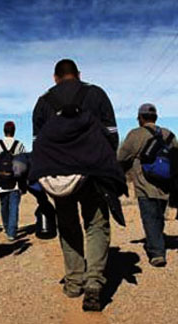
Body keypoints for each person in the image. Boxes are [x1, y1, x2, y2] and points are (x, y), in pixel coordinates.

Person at [30, 59, 126, 311]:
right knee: (95, 224)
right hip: (93, 172)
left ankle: (74, 283)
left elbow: (37, 144)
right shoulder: (96, 94)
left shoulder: (43, 102)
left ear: (55, 77)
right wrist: (102, 163)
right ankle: (94, 283)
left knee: (68, 225)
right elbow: (112, 136)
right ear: (78, 74)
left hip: (57, 176)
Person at [117, 103, 177, 267]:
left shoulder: (136, 134)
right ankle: (157, 241)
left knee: (149, 217)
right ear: (155, 117)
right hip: (165, 183)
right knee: (159, 215)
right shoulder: (169, 134)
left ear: (140, 118)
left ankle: (157, 253)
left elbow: (122, 157)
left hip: (145, 183)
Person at [0, 121, 26, 241]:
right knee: (14, 207)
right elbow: (23, 164)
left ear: (4, 130)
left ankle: (6, 226)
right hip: (15, 182)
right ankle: (12, 232)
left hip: (1, 182)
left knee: (4, 206)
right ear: (14, 131)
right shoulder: (19, 144)